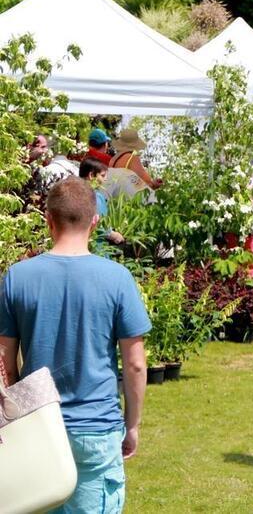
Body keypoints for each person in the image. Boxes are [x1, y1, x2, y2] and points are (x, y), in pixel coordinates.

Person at [0, 177, 150, 512]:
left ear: (48, 220)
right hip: (95, 426)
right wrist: (133, 424)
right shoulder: (117, 278)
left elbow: (4, 362)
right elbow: (136, 364)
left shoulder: (18, 277)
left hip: (36, 425)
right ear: (95, 221)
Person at [79, 157, 125, 249]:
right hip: (97, 245)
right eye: (103, 175)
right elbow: (100, 225)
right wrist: (114, 235)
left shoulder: (73, 193)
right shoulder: (96, 196)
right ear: (91, 175)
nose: (106, 179)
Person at [107, 128, 161, 198]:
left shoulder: (113, 160)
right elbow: (147, 184)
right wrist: (155, 184)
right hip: (126, 201)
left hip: (112, 201)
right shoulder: (132, 159)